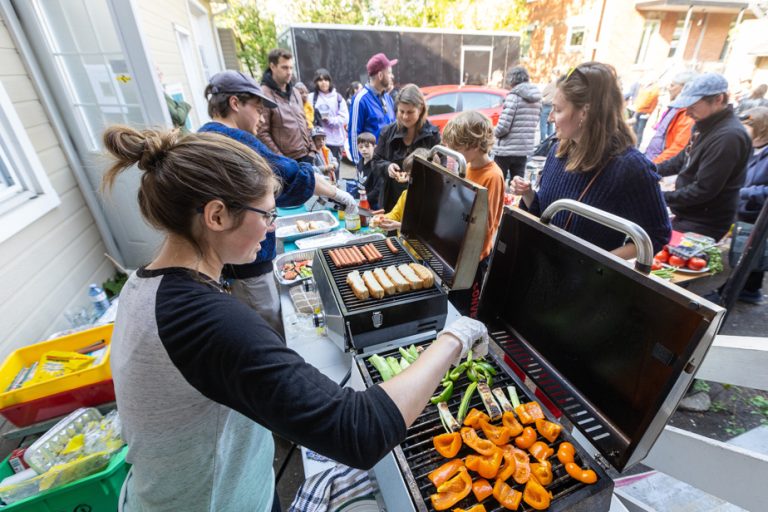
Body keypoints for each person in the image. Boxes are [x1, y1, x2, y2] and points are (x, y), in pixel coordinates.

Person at [101, 124, 490, 512]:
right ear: (216, 216)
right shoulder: (206, 321)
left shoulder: (144, 284)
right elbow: (360, 430)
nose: (272, 227)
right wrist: (453, 339)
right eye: (268, 214)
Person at [198, 71, 357, 336]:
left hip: (230, 261)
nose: (261, 120)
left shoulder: (205, 135)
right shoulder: (235, 141)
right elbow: (289, 174)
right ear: (235, 103)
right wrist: (338, 194)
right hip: (247, 266)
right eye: (258, 110)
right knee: (268, 329)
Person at [513, 62, 671, 257]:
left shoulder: (631, 168)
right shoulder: (557, 152)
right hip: (545, 270)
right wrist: (528, 194)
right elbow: (544, 214)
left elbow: (657, 235)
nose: (550, 118)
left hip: (582, 283)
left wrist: (596, 265)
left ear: (584, 112)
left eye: (558, 109)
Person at [657, 72, 752, 240]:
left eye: (692, 106)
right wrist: (647, 169)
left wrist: (659, 196)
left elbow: (704, 189)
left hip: (704, 222)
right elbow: (681, 160)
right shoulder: (704, 124)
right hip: (689, 214)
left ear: (718, 99)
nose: (687, 113)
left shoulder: (728, 136)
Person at [442, 111, 505, 317]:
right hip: (457, 250)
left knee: (467, 310)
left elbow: (487, 228)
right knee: (452, 303)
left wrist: (470, 259)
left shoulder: (492, 176)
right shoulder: (466, 166)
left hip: (473, 260)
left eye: (457, 148)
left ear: (476, 145)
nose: (453, 152)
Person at [373, 84, 441, 211]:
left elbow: (440, 172)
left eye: (410, 112)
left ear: (420, 109)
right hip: (392, 201)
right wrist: (387, 167)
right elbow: (375, 161)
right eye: (401, 111)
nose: (405, 116)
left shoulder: (433, 135)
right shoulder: (387, 132)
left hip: (421, 202)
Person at [734, 107, 768, 304]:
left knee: (755, 252)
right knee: (747, 250)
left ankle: (749, 290)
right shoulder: (751, 148)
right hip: (746, 210)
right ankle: (747, 287)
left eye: (747, 126)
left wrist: (744, 192)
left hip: (758, 213)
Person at [258, 48, 314, 162]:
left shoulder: (296, 92)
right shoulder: (263, 94)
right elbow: (262, 133)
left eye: (291, 67)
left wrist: (312, 149)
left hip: (306, 156)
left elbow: (304, 122)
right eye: (284, 67)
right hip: (287, 162)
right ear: (272, 67)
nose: (289, 72)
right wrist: (282, 159)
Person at [492, 66, 542, 180]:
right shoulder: (537, 99)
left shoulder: (514, 97)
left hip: (506, 150)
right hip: (523, 149)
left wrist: (493, 132)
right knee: (517, 185)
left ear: (512, 80)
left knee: (499, 181)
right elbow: (535, 122)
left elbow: (503, 127)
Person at [348, 53, 398, 164]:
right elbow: (354, 135)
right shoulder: (360, 100)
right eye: (389, 72)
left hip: (387, 166)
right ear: (380, 75)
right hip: (370, 167)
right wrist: (361, 167)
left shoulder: (388, 98)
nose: (392, 76)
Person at [371, 148, 431, 232]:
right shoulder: (406, 194)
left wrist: (400, 226)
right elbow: (395, 214)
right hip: (402, 241)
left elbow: (427, 231)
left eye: (411, 175)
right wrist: (382, 218)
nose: (408, 179)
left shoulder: (433, 201)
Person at [644, 71, 697, 164]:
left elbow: (678, 147)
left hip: (659, 165)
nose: (669, 88)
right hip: (652, 160)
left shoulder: (688, 113)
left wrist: (654, 165)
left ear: (685, 87)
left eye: (672, 85)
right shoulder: (675, 107)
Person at [311, 68, 349, 163]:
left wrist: (329, 120)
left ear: (330, 81)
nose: (323, 82)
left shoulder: (338, 98)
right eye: (320, 80)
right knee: (320, 172)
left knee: (334, 172)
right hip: (317, 142)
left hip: (335, 142)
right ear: (316, 82)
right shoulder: (311, 98)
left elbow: (345, 119)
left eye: (326, 79)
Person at [356, 132, 381, 210]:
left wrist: (365, 199)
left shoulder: (377, 165)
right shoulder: (360, 162)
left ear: (374, 147)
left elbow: (378, 189)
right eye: (361, 147)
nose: (364, 149)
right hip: (361, 200)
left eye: (367, 146)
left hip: (373, 204)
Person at [630, 79, 660, 148]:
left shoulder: (654, 89)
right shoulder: (643, 87)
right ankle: (632, 144)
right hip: (637, 110)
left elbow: (654, 103)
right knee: (634, 129)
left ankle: (637, 146)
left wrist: (649, 113)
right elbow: (639, 98)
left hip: (644, 113)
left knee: (640, 130)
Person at [540, 69, 558, 141]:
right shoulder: (560, 84)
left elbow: (543, 93)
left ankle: (543, 141)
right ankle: (550, 141)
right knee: (550, 125)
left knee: (543, 125)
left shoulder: (551, 84)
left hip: (546, 105)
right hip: (553, 106)